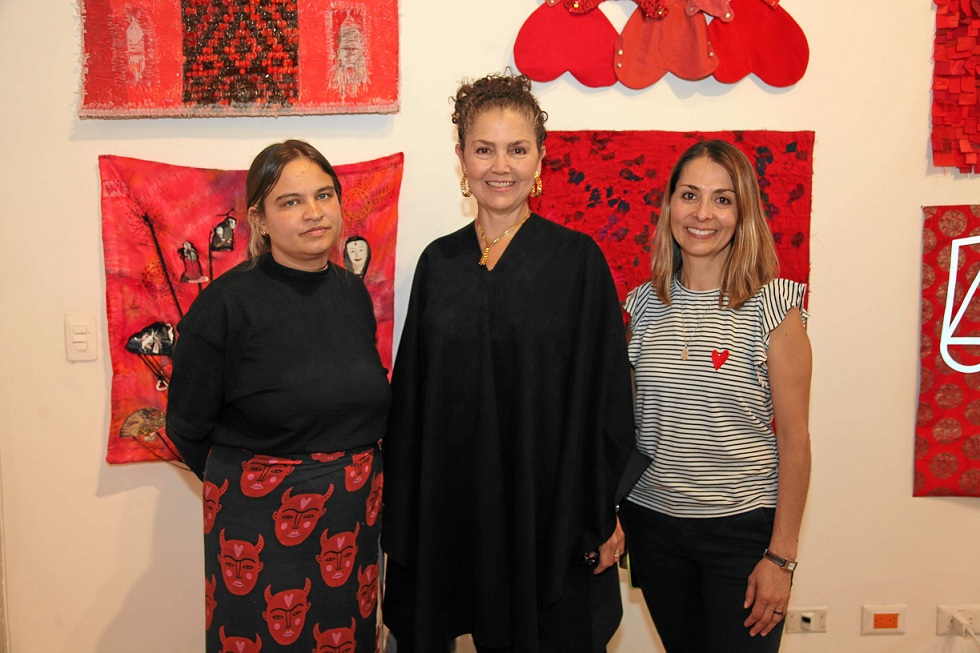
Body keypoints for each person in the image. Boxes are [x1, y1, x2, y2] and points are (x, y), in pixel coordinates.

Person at [381, 71, 640, 653]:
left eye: (517, 149)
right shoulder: (438, 264)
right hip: (452, 504)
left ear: (541, 158)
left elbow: (606, 396)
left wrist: (604, 509)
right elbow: (413, 405)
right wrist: (404, 515)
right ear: (461, 159)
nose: (501, 166)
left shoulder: (577, 263)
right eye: (484, 149)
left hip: (546, 508)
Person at [165, 140, 391, 653]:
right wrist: (252, 484)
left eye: (324, 195)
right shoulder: (225, 304)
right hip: (257, 528)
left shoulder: (353, 293)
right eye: (290, 202)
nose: (314, 213)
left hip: (350, 524)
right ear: (259, 221)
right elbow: (185, 424)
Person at [619, 140, 812, 653]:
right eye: (690, 195)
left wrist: (781, 558)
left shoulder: (775, 306)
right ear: (669, 206)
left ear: (742, 212)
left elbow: (795, 439)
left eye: (722, 199)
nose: (703, 214)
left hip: (743, 537)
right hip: (654, 529)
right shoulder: (640, 306)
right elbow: (626, 427)